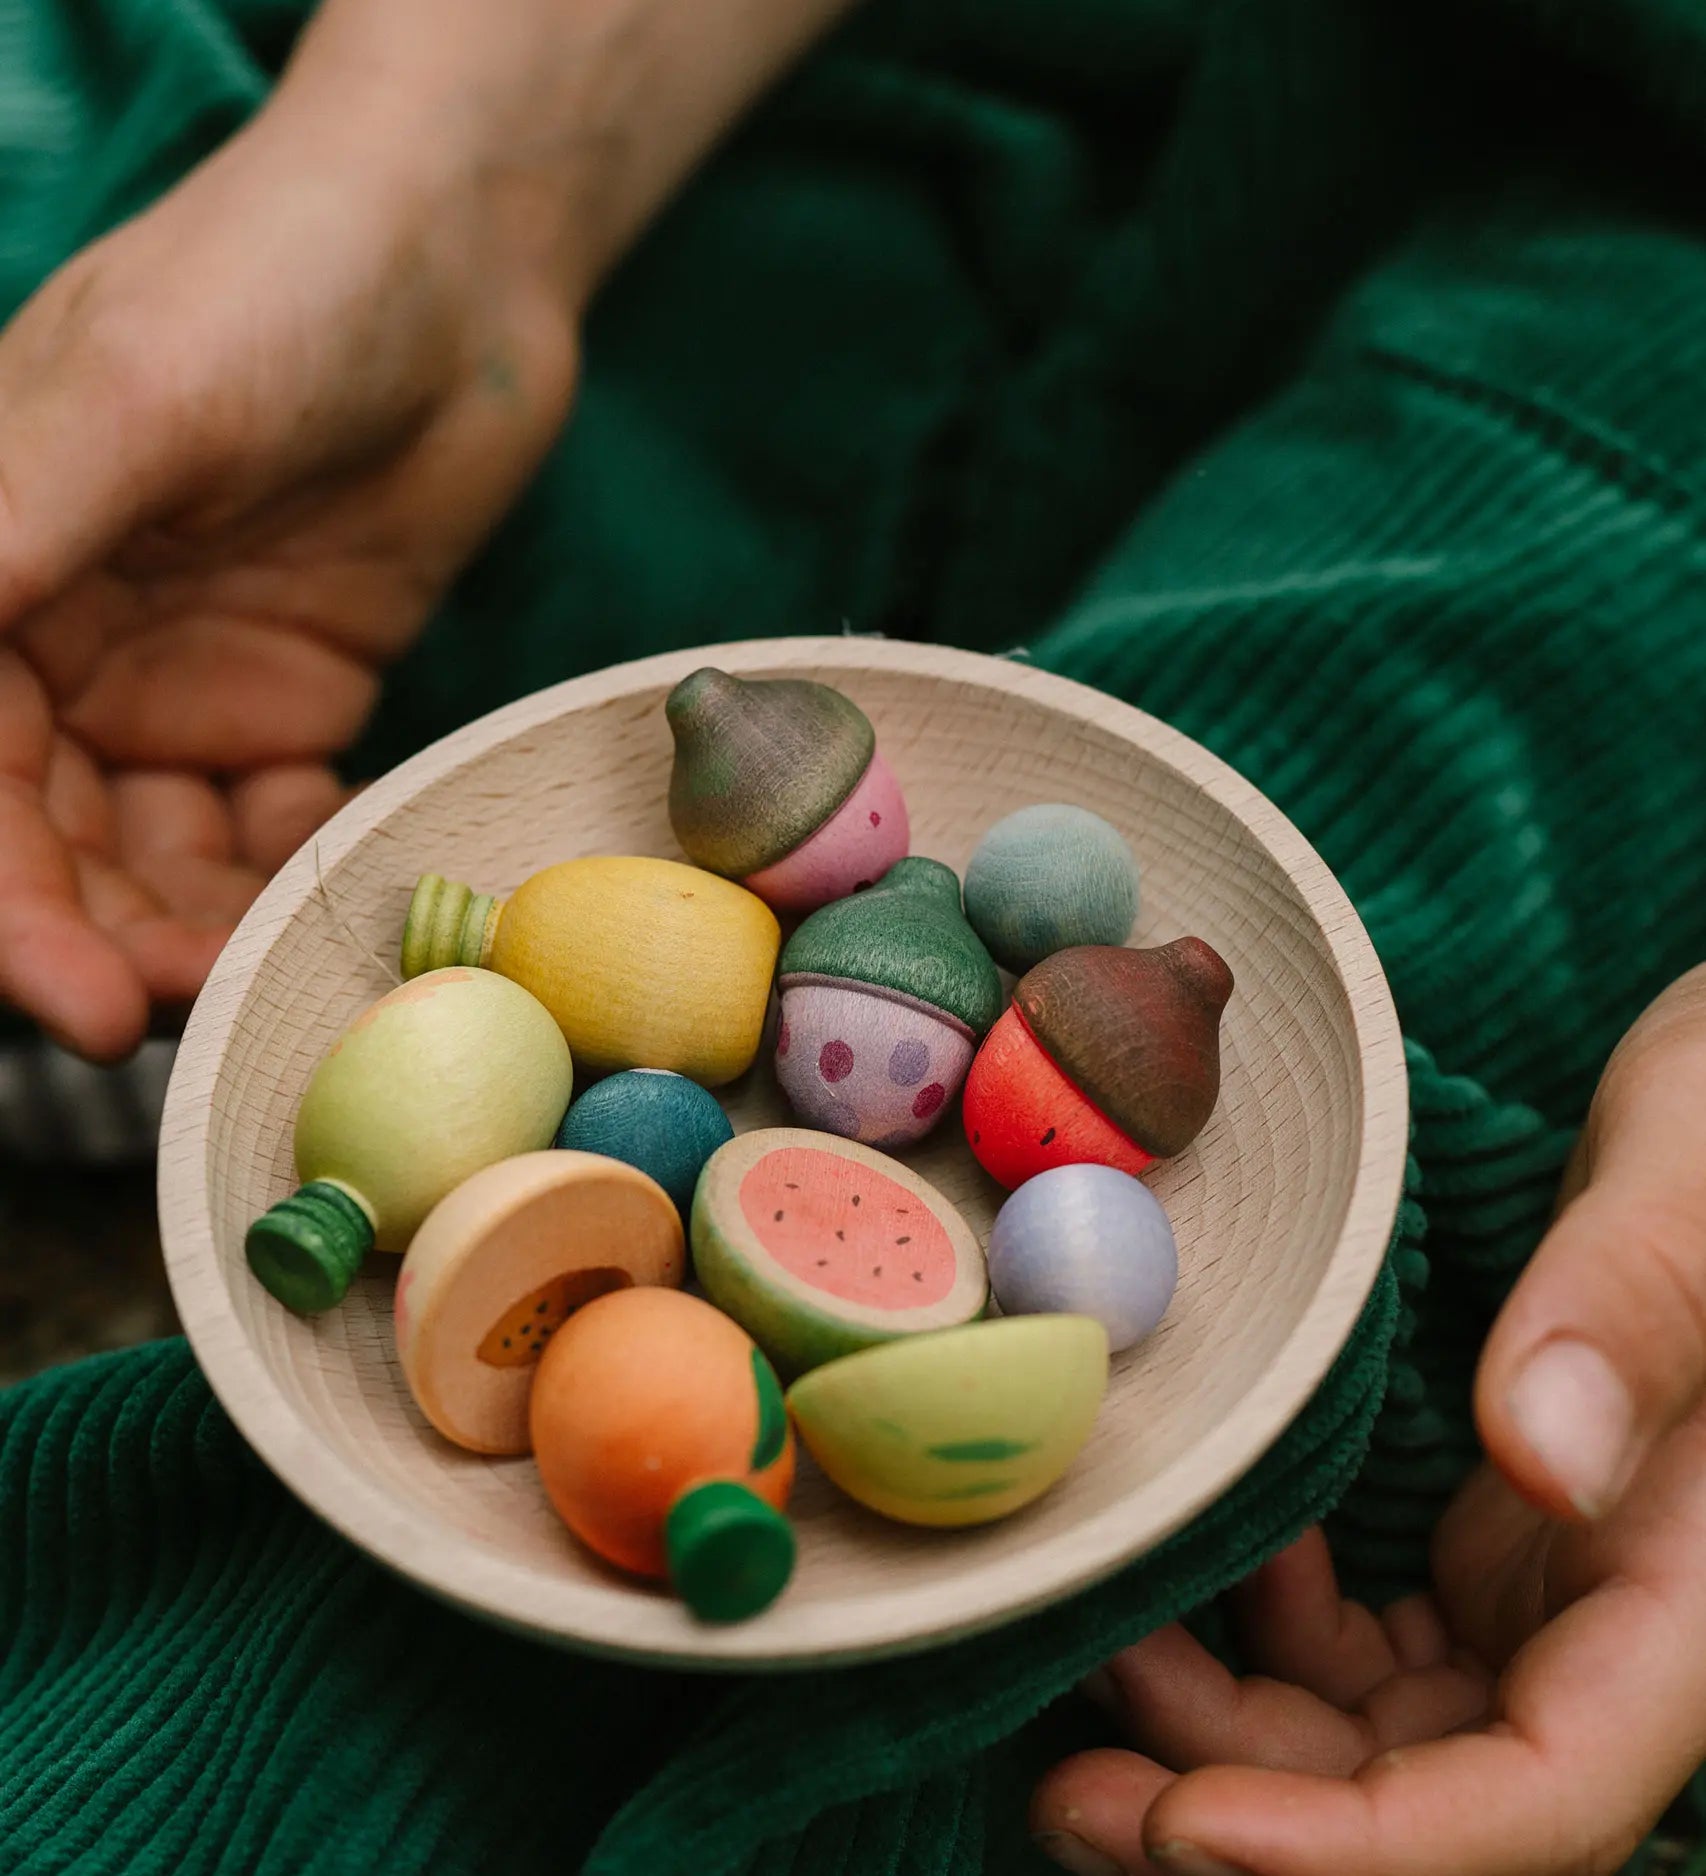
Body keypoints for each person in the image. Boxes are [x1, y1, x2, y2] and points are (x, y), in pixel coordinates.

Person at [4, 0, 1706, 1872]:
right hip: (865, 89)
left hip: (1621, 234)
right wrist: (461, 167)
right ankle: (127, 994)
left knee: (1348, 798)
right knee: (191, 322)